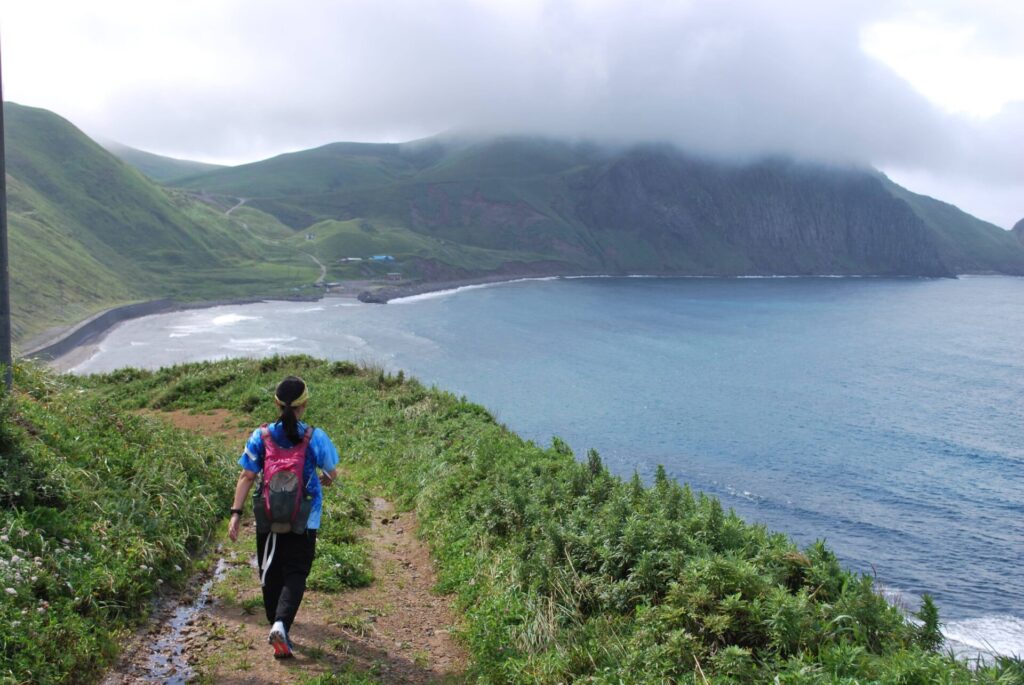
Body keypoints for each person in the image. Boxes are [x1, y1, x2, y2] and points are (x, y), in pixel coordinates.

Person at [228, 375, 340, 659]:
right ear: (304, 404)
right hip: (305, 517)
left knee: (270, 571)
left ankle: (274, 621)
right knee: (296, 572)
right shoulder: (314, 436)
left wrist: (236, 514)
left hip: (268, 515)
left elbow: (247, 475)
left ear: (277, 404)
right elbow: (331, 472)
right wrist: (327, 478)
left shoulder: (262, 436)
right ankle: (281, 624)